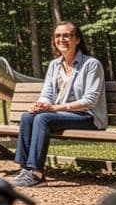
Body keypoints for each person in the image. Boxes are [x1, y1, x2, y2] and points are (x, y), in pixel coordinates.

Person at [10, 21, 107, 187]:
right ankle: (25, 169)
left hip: (88, 117)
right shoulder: (54, 65)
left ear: (77, 40)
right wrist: (40, 105)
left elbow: (90, 101)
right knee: (28, 116)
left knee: (43, 119)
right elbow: (47, 94)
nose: (61, 39)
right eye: (57, 36)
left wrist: (56, 108)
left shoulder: (91, 64)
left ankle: (36, 174)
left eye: (66, 35)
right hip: (61, 114)